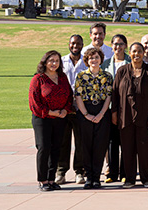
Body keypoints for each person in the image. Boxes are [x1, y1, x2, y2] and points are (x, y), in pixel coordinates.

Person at [111, 42, 148, 188]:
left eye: (139, 51)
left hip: (144, 117)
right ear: (129, 53)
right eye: (134, 52)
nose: (136, 54)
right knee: (127, 148)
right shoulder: (122, 71)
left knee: (144, 149)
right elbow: (114, 94)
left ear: (143, 53)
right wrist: (114, 114)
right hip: (125, 116)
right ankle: (129, 178)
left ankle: (145, 178)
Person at [29, 50, 73, 191]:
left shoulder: (62, 77)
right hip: (43, 119)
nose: (54, 63)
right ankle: (43, 180)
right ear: (45, 62)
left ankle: (51, 178)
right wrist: (50, 112)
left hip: (60, 118)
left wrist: (65, 110)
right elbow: (34, 102)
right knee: (44, 147)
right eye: (51, 60)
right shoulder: (38, 79)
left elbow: (69, 96)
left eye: (57, 61)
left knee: (56, 148)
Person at [74, 47, 113, 189]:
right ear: (86, 60)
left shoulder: (107, 76)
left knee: (100, 146)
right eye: (91, 58)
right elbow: (78, 96)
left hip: (102, 112)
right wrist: (86, 115)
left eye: (96, 57)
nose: (94, 60)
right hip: (85, 112)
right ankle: (88, 177)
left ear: (101, 59)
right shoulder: (81, 76)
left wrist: (101, 114)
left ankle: (96, 177)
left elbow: (109, 96)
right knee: (86, 146)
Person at [57, 34, 87, 186]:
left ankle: (79, 171)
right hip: (64, 108)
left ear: (82, 45)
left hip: (81, 108)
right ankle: (61, 171)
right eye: (73, 43)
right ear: (68, 44)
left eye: (79, 44)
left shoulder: (86, 62)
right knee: (63, 141)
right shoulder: (61, 61)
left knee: (81, 141)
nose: (76, 46)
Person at [101, 34, 129, 183]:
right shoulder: (105, 64)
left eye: (121, 44)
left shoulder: (131, 61)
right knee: (112, 142)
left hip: (128, 109)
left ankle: (125, 172)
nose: (118, 47)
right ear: (111, 46)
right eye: (115, 44)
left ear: (125, 46)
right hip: (110, 108)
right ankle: (112, 172)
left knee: (125, 141)